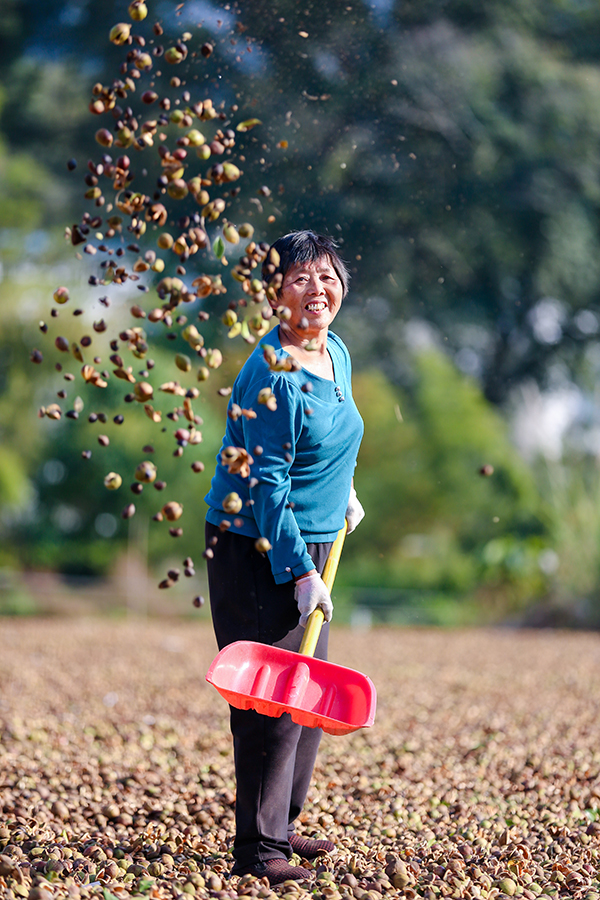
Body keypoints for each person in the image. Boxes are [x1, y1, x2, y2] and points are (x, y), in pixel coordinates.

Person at [204, 231, 365, 886]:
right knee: (267, 700)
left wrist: (344, 488)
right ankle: (257, 852)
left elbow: (333, 432)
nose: (315, 289)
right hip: (258, 542)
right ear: (273, 293)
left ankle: (284, 824)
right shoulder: (272, 369)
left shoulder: (337, 353)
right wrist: (299, 572)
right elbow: (267, 484)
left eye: (326, 275)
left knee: (307, 696)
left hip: (318, 537)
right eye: (298, 277)